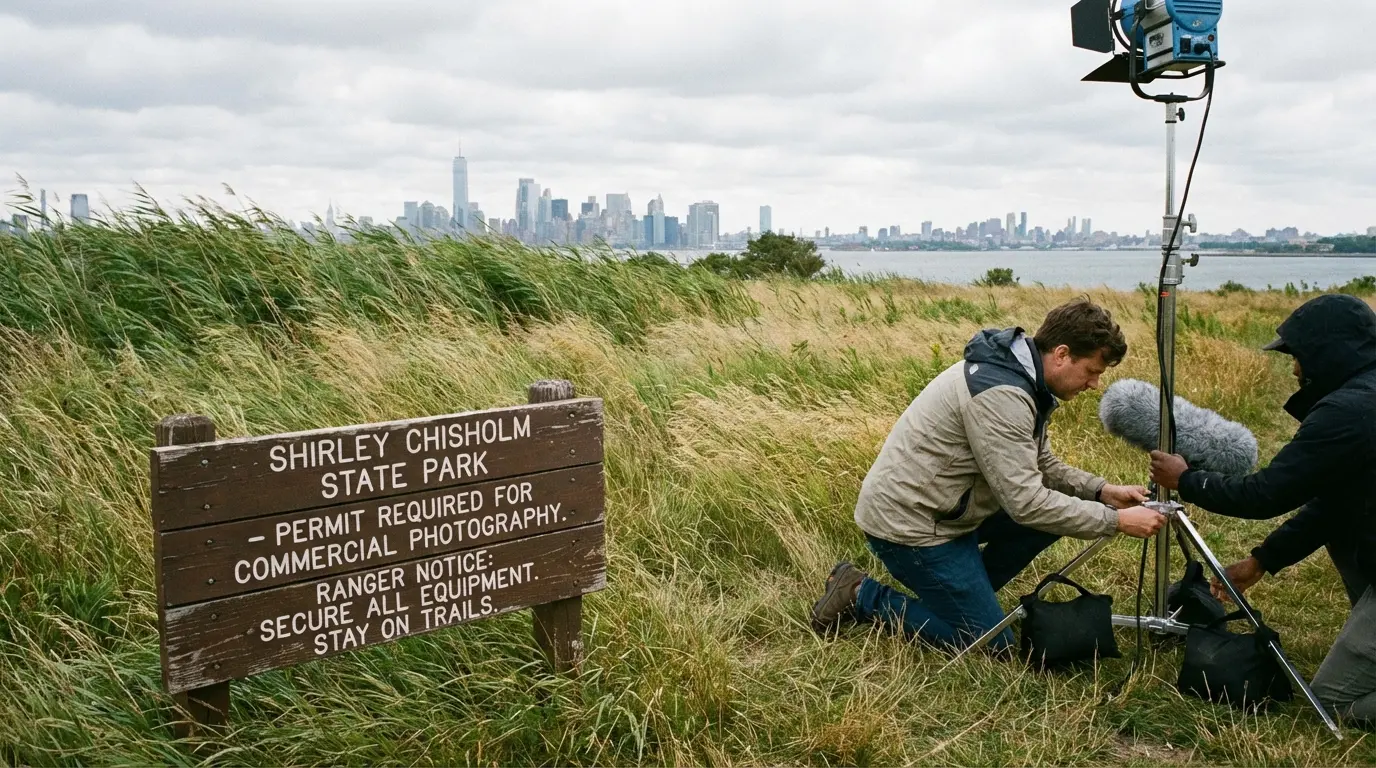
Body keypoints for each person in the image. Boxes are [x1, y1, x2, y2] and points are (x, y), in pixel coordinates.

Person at [811, 298, 1167, 651]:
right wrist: (1115, 520)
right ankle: (860, 592)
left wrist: (1100, 491)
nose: (1093, 385)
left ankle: (964, 595)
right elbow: (1027, 503)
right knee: (985, 643)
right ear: (1061, 354)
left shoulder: (1024, 377)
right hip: (912, 526)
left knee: (1057, 516)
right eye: (1092, 371)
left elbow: (1040, 465)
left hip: (946, 510)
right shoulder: (1003, 395)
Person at [1150, 293, 1376, 723]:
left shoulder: (1350, 411)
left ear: (1330, 353)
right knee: (1348, 528)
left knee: (1334, 702)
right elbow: (1336, 506)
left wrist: (1186, 480)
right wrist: (1261, 560)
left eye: (1299, 356)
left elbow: (1264, 495)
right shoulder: (1363, 396)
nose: (1294, 368)